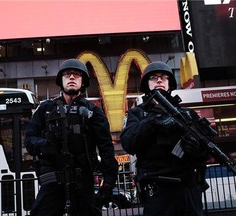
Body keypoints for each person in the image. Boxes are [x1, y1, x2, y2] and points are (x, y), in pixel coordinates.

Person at [25, 58, 118, 216]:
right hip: (52, 181)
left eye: (77, 75)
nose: (72, 77)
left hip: (83, 181)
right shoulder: (46, 109)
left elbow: (106, 149)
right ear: (61, 80)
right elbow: (29, 139)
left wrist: (108, 184)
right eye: (68, 75)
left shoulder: (93, 112)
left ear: (83, 81)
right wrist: (45, 146)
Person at [120, 61, 210, 216]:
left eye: (164, 77)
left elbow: (207, 149)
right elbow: (129, 142)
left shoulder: (187, 114)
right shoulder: (138, 114)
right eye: (154, 78)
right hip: (158, 190)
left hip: (188, 190)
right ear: (146, 84)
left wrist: (196, 148)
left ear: (170, 83)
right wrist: (153, 122)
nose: (159, 80)